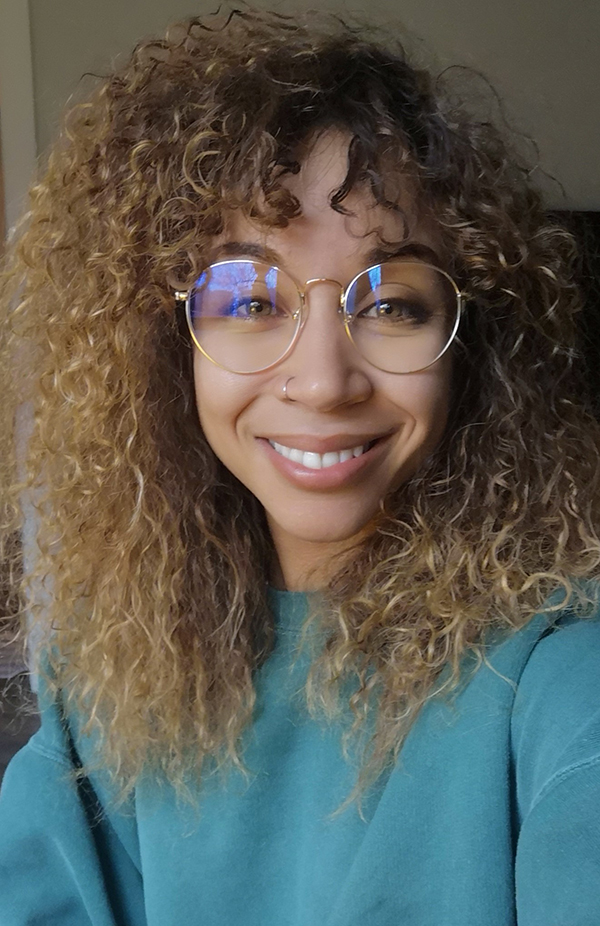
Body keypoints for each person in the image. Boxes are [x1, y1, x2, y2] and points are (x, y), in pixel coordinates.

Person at [1, 8, 600, 925]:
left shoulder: (557, 674)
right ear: (168, 348)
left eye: (394, 304)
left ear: (466, 349)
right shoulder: (106, 677)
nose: (323, 380)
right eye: (249, 299)